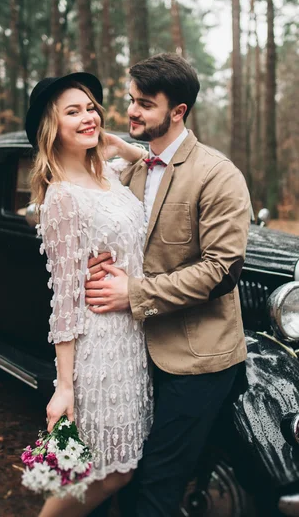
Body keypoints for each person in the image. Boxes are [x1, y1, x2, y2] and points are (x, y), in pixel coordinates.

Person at [85, 53, 251, 517]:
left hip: (197, 360)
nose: (131, 111)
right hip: (135, 351)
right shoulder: (135, 170)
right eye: (130, 100)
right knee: (120, 472)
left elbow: (221, 271)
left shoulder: (219, 175)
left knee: (158, 484)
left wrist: (133, 295)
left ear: (178, 111)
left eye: (145, 103)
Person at [25, 72, 154, 517]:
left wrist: (120, 146)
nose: (88, 117)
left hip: (132, 337)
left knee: (119, 468)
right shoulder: (62, 197)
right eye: (73, 111)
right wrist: (64, 388)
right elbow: (64, 297)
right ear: (52, 127)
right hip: (98, 348)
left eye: (91, 108)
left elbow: (156, 165)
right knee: (106, 472)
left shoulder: (108, 174)